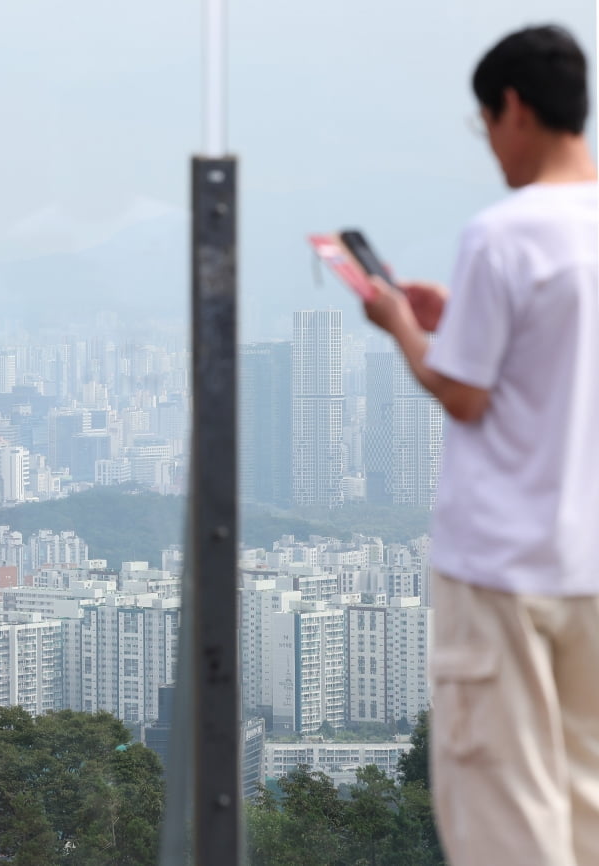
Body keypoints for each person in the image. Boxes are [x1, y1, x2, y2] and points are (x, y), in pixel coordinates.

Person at [361, 24, 598, 866]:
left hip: (505, 569)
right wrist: (464, 316)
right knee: (586, 805)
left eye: (486, 121)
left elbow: (464, 394)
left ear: (515, 110)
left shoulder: (506, 234)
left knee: (506, 812)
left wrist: (400, 327)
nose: (492, 142)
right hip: (592, 569)